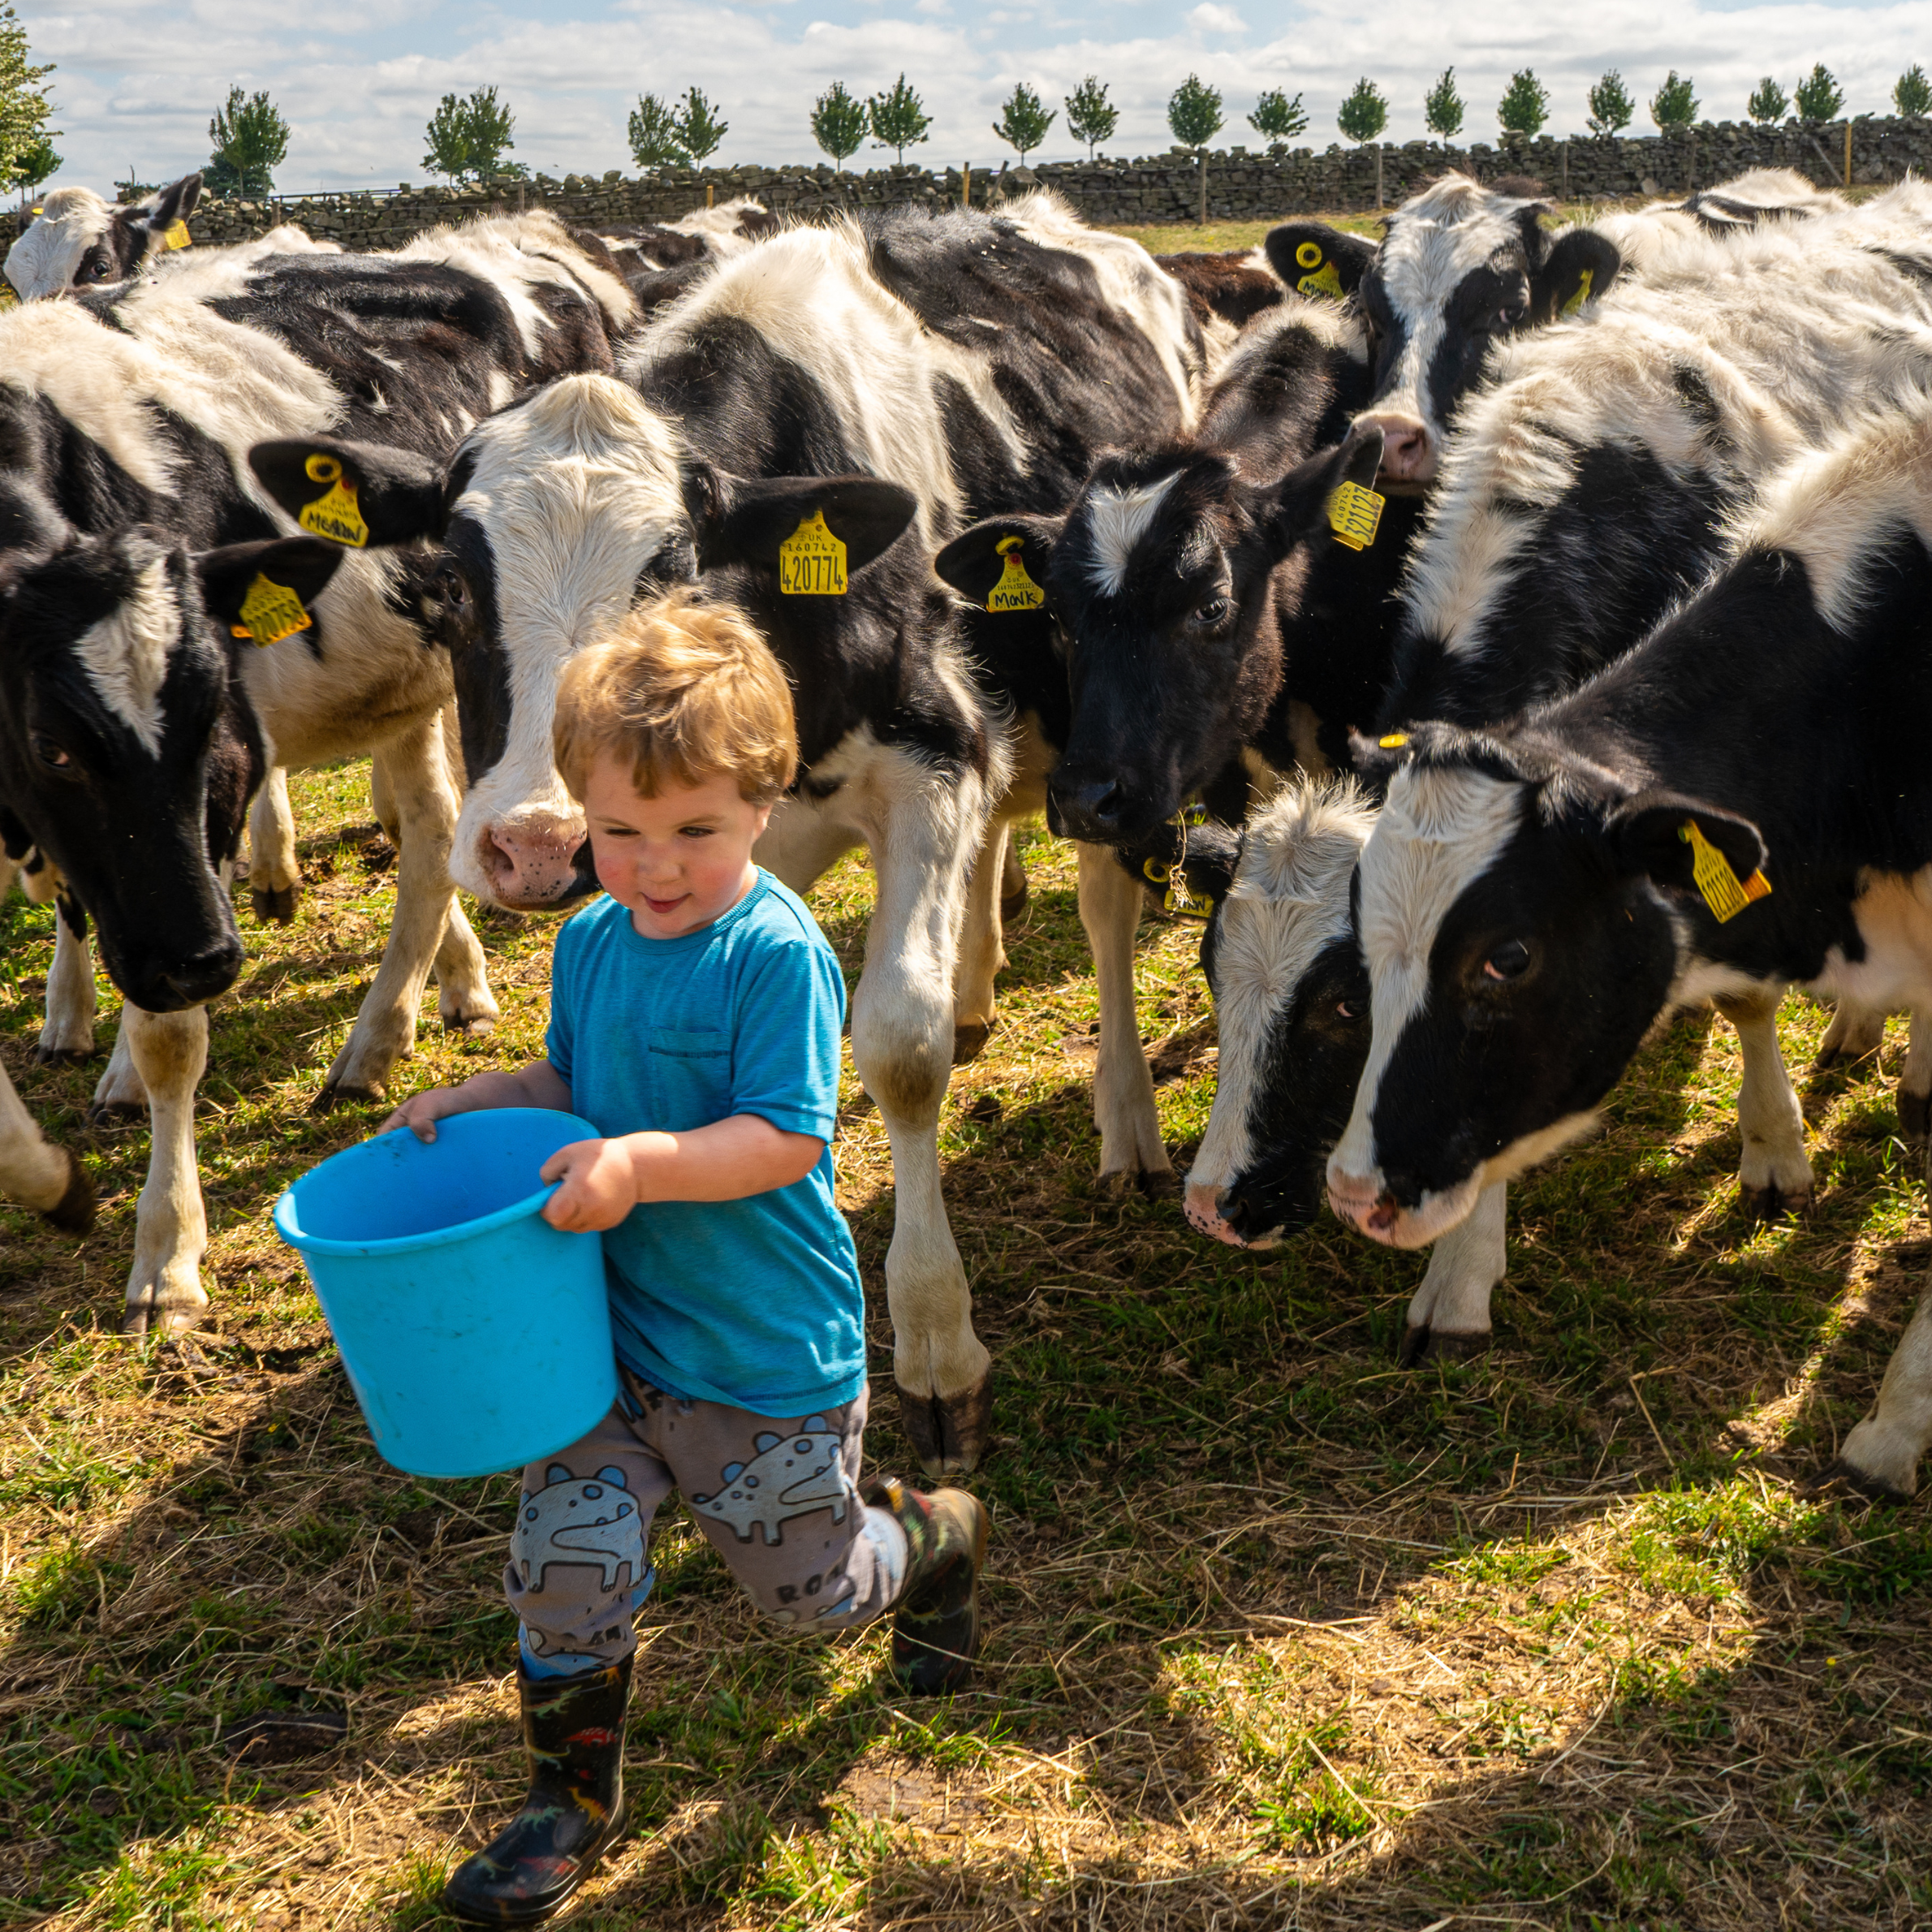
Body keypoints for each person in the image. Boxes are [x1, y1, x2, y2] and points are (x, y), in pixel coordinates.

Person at [379, 591, 988, 1926]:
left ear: (765, 804)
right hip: (611, 1348)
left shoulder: (772, 954)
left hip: (759, 1348)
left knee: (806, 1597)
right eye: (621, 833)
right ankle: (567, 1798)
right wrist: (486, 1096)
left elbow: (781, 1139)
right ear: (583, 816)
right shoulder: (595, 938)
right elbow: (576, 1072)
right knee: (566, 1564)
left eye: (695, 832)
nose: (656, 866)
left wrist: (639, 1166)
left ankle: (928, 1536)